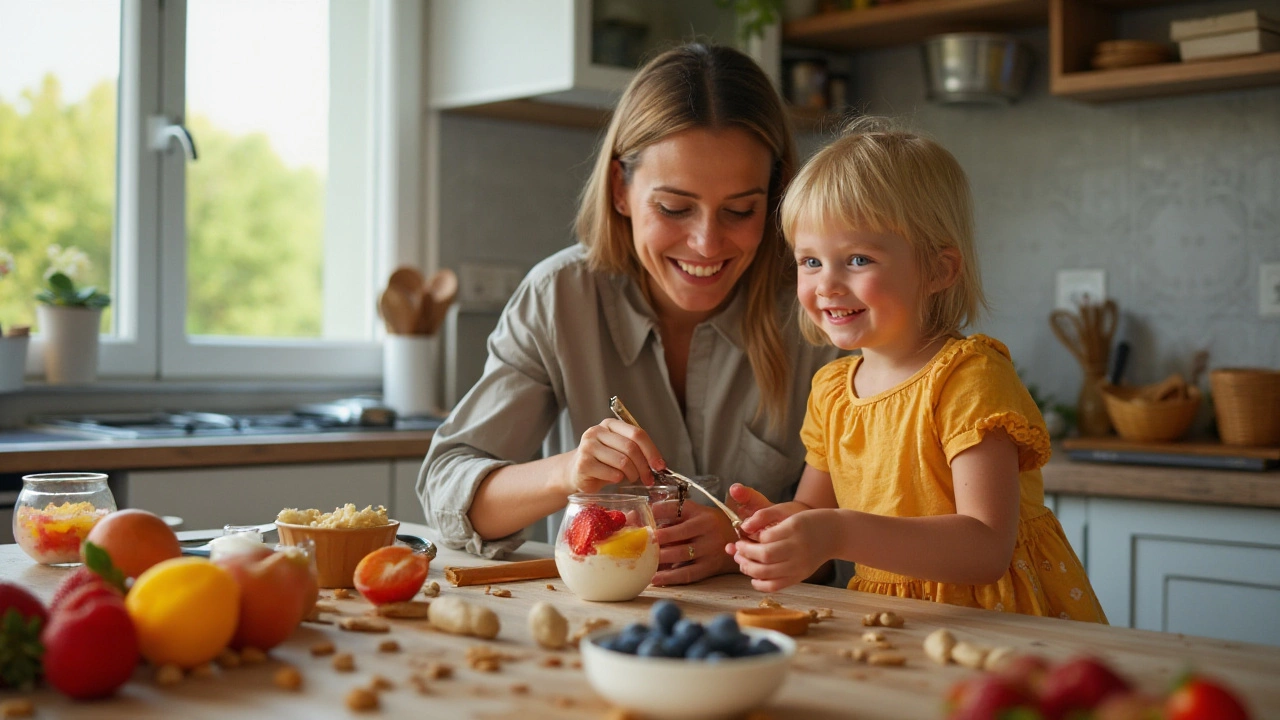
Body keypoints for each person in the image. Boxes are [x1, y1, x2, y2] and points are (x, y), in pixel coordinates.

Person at [417, 43, 841, 587]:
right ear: (621, 189)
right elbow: (446, 489)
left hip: (779, 638)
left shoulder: (820, 309)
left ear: (777, 199)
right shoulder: (559, 296)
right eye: (674, 207)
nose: (706, 243)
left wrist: (742, 541)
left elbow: (871, 526)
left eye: (740, 210)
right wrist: (569, 472)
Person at [726, 120, 1107, 622]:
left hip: (998, 619)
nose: (827, 285)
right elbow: (815, 511)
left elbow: (986, 548)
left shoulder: (968, 377)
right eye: (810, 261)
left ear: (939, 270)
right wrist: (784, 527)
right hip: (892, 617)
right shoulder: (833, 391)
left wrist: (836, 533)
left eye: (858, 259)